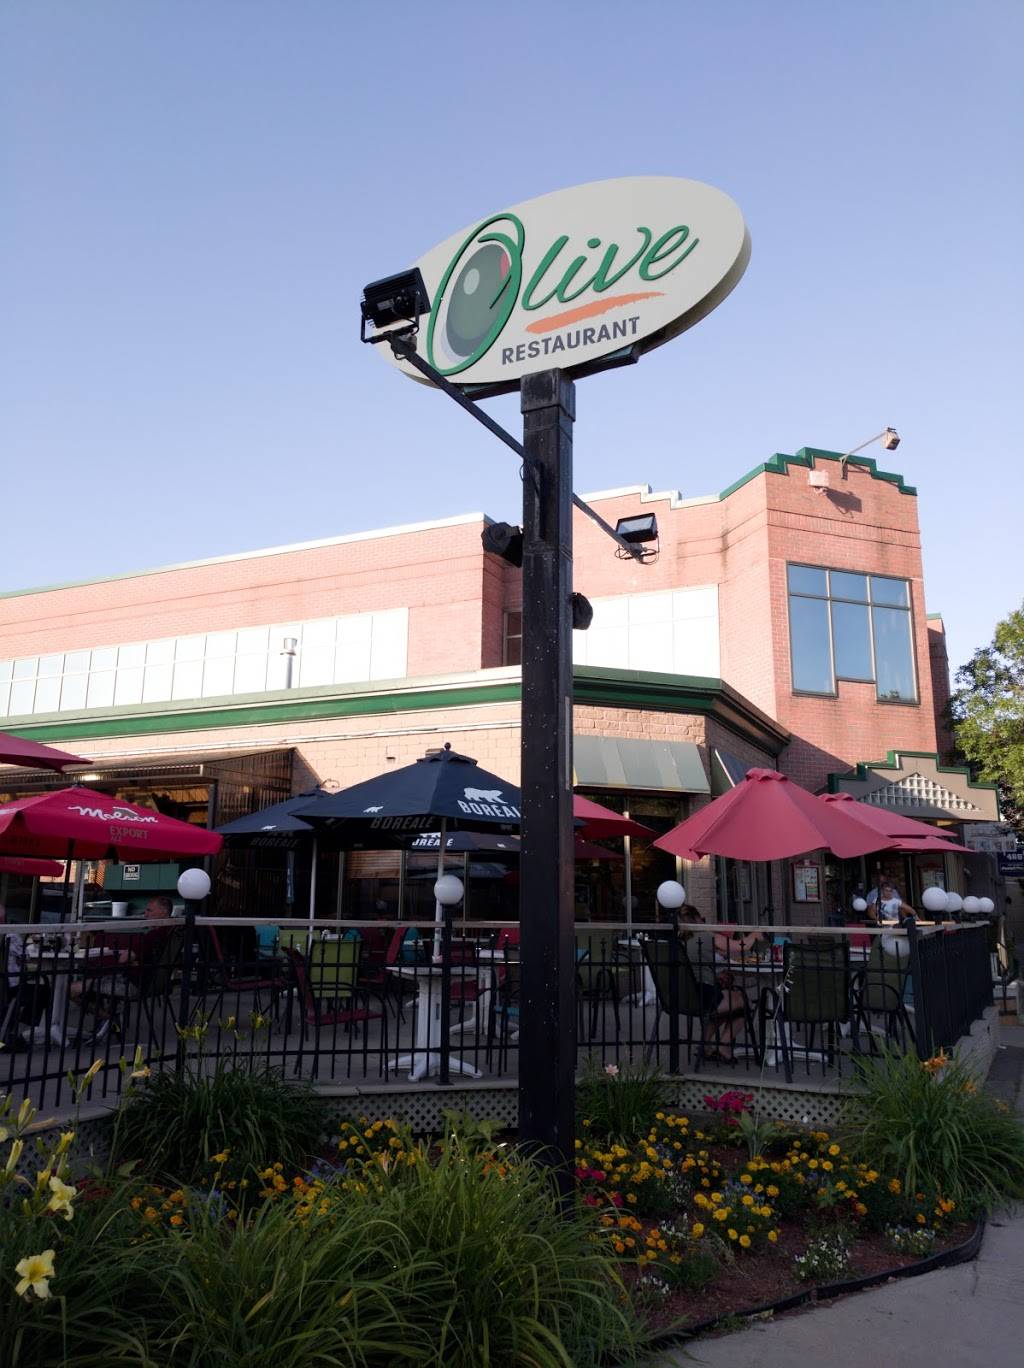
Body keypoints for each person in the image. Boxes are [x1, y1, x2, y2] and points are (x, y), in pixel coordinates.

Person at [676, 906, 750, 1064]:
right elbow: (741, 947)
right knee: (741, 1003)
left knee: (729, 1004)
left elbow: (694, 968)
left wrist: (716, 975)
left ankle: (706, 1046)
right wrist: (756, 935)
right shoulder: (707, 936)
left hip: (683, 996)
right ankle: (723, 1047)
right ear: (697, 918)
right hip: (702, 996)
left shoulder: (681, 941)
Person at [0, 901, 51, 1050]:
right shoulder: (10, 935)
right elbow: (26, 956)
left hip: (4, 985)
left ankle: (11, 1029)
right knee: (43, 991)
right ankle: (18, 1032)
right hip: (9, 987)